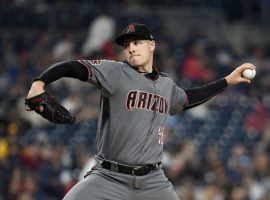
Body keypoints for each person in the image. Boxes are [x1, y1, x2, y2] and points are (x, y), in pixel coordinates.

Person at [26, 23, 255, 200]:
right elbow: (72, 67)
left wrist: (227, 81)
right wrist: (39, 83)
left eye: (137, 42)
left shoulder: (166, 85)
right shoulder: (115, 72)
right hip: (108, 176)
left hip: (153, 181)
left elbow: (188, 98)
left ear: (152, 45)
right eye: (126, 45)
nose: (131, 47)